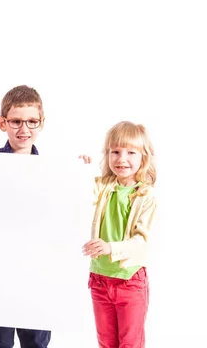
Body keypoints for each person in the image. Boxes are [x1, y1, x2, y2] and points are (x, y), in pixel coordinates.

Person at [0, 85, 51, 348]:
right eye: (17, 121)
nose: (24, 129)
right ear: (2, 123)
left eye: (32, 122)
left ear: (42, 123)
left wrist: (81, 168)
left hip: (35, 268)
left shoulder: (51, 171)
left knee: (36, 339)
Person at [82, 121, 157, 348]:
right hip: (99, 278)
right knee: (106, 342)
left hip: (130, 280)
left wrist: (110, 247)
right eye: (115, 151)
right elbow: (79, 191)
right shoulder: (103, 186)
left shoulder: (145, 195)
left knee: (130, 343)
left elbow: (140, 241)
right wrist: (82, 168)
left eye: (130, 152)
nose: (121, 159)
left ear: (143, 158)